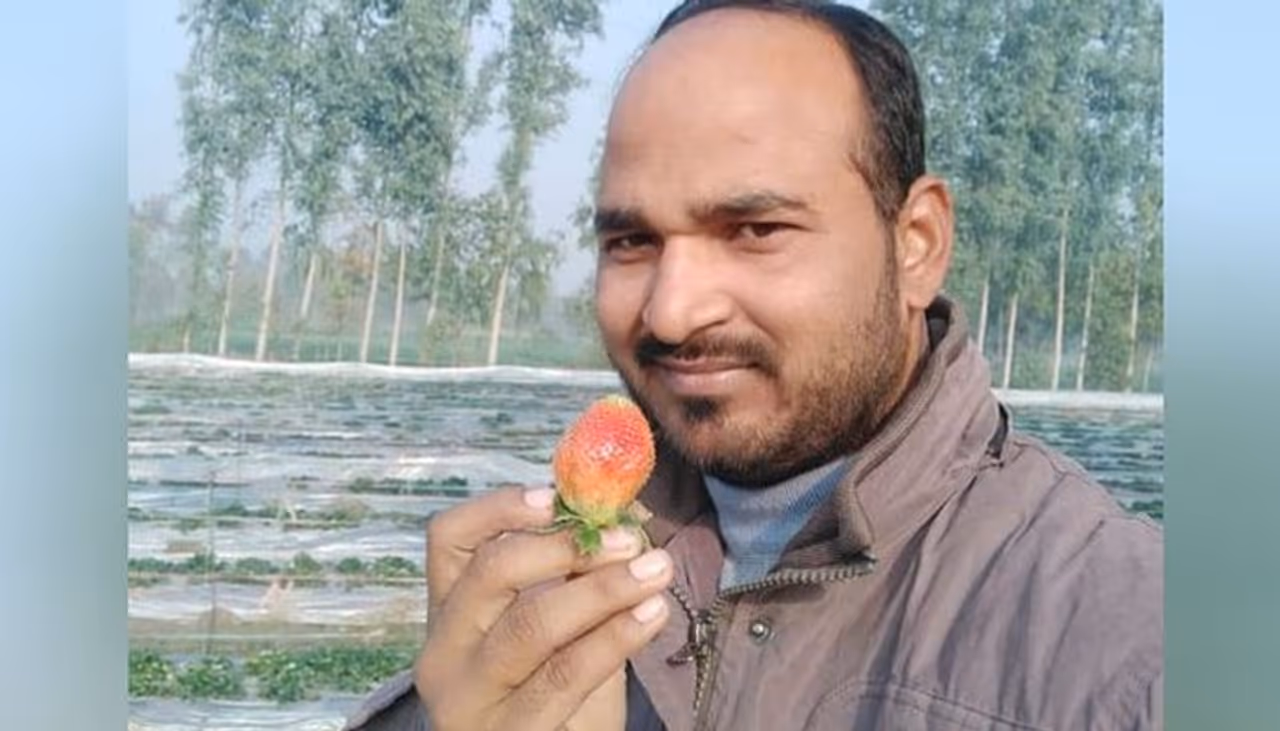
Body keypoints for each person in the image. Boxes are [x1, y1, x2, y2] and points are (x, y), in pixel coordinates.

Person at [343, 1, 1164, 729]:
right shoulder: (549, 587)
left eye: (755, 230)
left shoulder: (1133, 652)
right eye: (631, 240)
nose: (671, 311)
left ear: (916, 244)